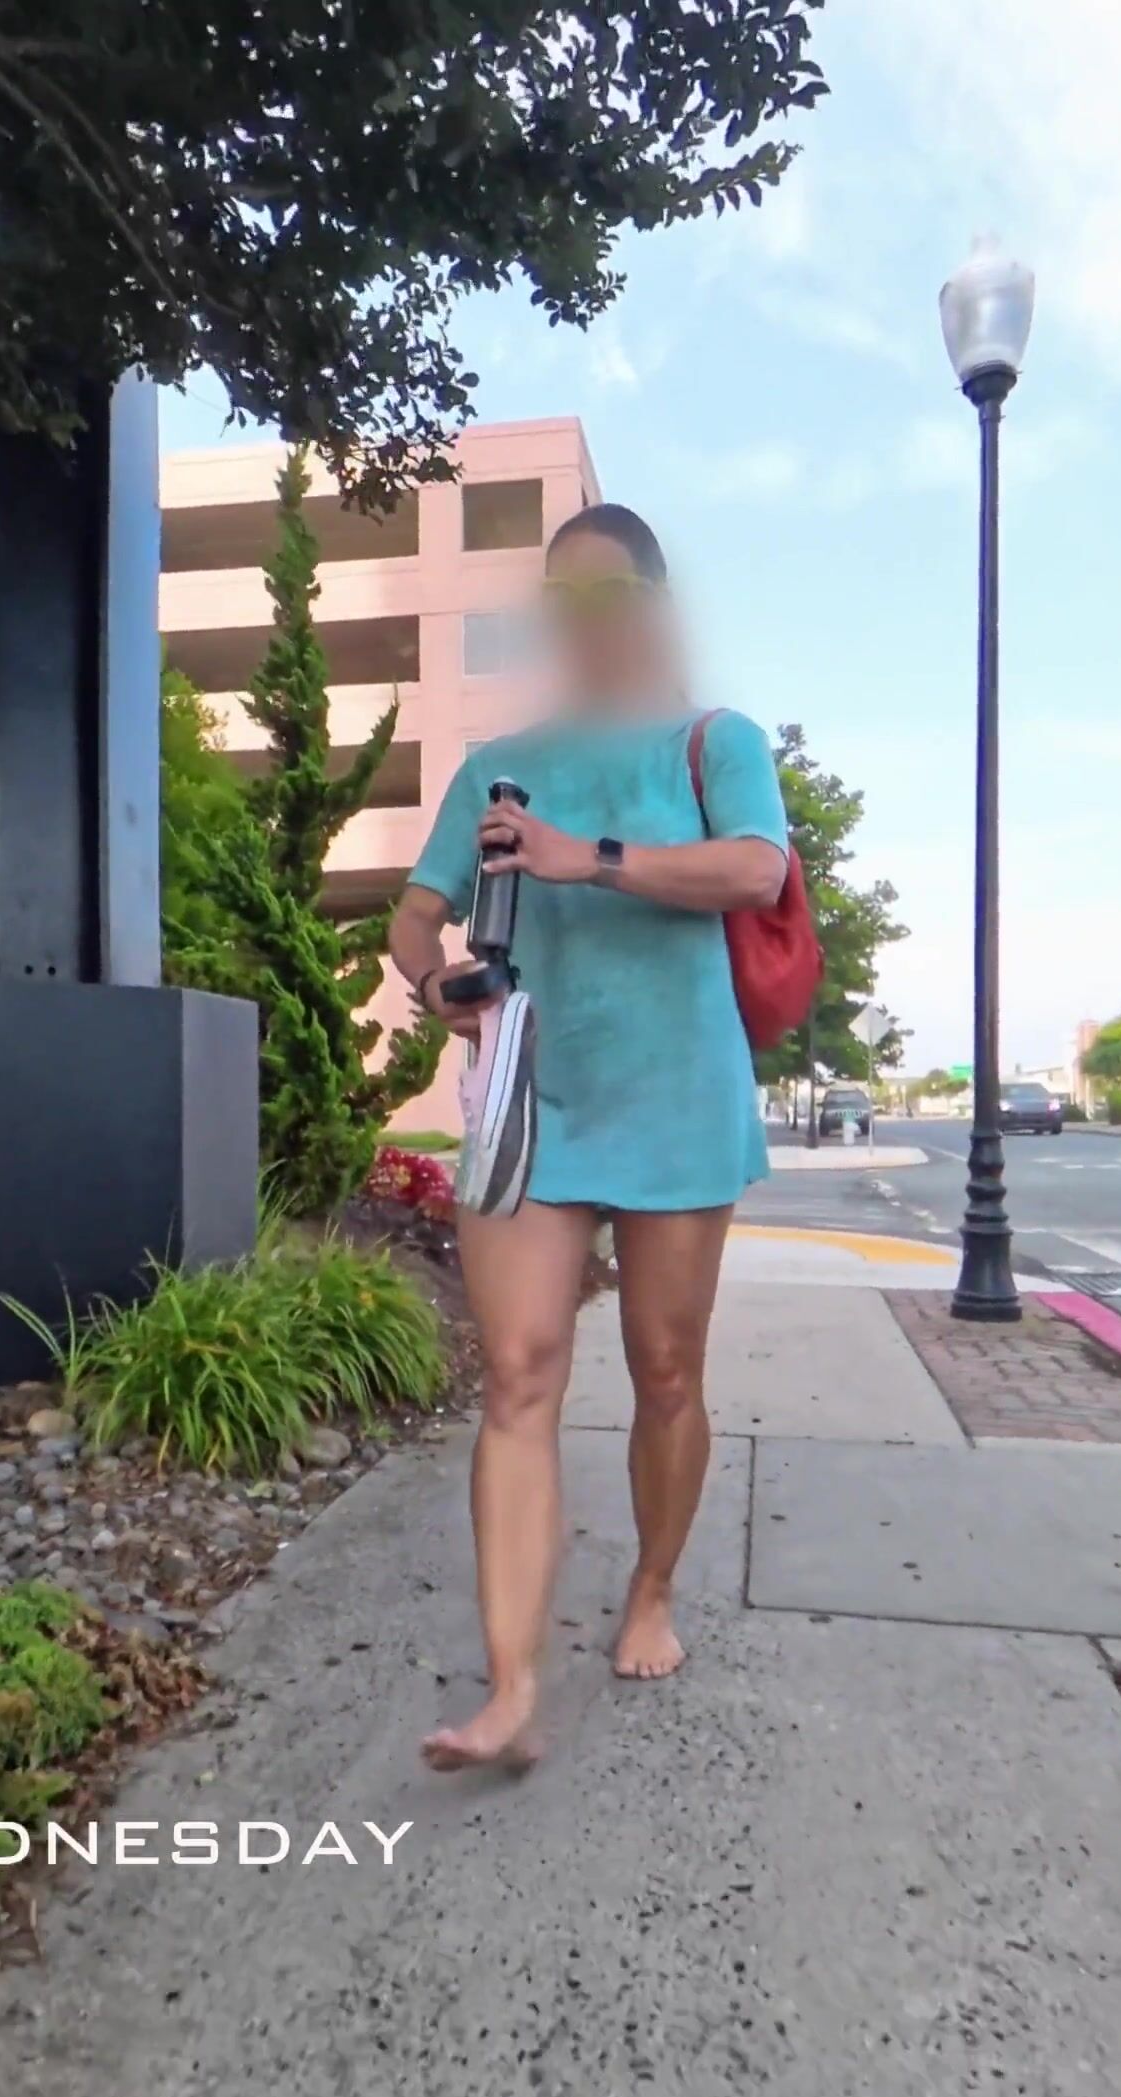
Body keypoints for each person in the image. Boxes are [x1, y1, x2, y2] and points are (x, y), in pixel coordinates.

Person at [388, 503, 792, 1772]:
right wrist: (438, 983)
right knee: (518, 1374)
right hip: (532, 1096)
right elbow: (414, 914)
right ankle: (511, 1689)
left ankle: (652, 1590)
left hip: (678, 1094)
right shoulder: (501, 767)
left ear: (653, 606)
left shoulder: (714, 742)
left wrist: (588, 858)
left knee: (666, 1371)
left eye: (605, 596)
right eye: (561, 602)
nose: (583, 622)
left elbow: (757, 873)